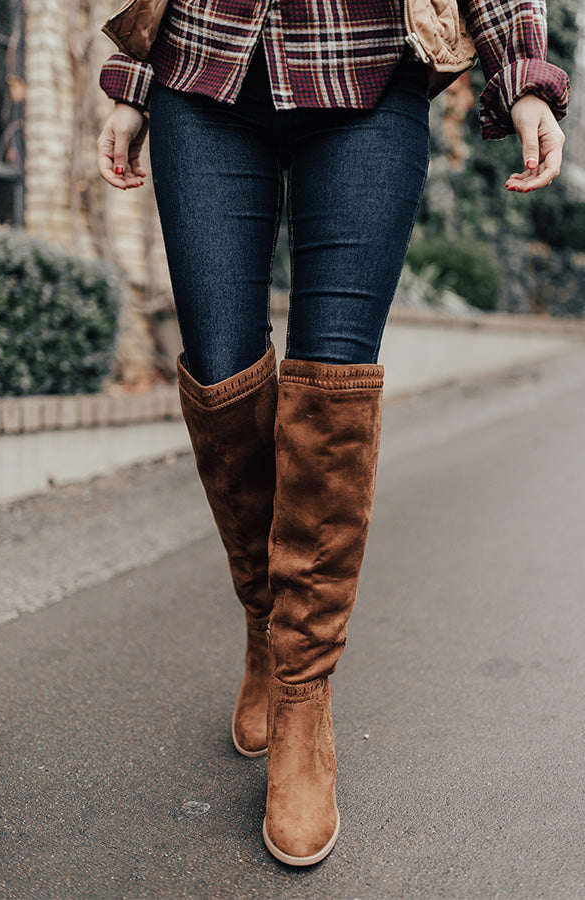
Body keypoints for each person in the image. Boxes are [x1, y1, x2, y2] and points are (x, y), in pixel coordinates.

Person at [97, 0, 569, 867]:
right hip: (204, 64)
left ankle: (302, 690)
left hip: (371, 66)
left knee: (333, 380)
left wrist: (524, 73)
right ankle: (264, 620)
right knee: (220, 363)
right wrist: (132, 78)